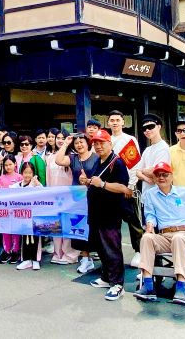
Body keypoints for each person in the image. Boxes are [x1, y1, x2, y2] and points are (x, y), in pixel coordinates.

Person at [135, 162, 185, 305]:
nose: (161, 177)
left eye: (165, 174)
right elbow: (150, 214)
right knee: (146, 238)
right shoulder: (150, 195)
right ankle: (148, 286)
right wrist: (150, 224)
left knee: (178, 238)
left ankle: (180, 287)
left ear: (172, 176)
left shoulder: (184, 193)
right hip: (164, 235)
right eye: (158, 175)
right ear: (154, 178)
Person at [80, 129, 131, 301]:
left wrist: (102, 184)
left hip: (110, 213)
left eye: (102, 143)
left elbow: (123, 188)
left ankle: (117, 284)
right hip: (95, 212)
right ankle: (106, 277)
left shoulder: (117, 162)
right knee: (100, 247)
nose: (98, 146)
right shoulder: (98, 161)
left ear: (110, 143)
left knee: (111, 248)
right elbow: (95, 182)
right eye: (95, 143)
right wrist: (88, 182)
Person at [55, 134, 98, 273]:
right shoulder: (73, 158)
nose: (79, 145)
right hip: (77, 199)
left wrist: (88, 181)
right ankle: (85, 258)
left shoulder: (96, 157)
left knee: (93, 228)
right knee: (79, 228)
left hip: (93, 198)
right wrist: (66, 144)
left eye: (82, 142)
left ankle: (96, 257)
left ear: (88, 143)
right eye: (76, 143)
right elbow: (58, 160)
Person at [107, 110, 144, 268]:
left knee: (133, 220)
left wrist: (131, 186)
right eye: (112, 120)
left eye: (118, 120)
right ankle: (113, 254)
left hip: (127, 187)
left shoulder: (129, 139)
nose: (115, 123)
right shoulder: (105, 140)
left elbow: (135, 164)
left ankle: (140, 251)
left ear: (123, 122)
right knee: (111, 223)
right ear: (108, 123)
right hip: (109, 188)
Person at [46, 129, 79, 264]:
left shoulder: (73, 156)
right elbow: (48, 177)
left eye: (63, 138)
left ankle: (70, 254)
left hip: (68, 196)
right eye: (58, 138)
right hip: (54, 196)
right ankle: (57, 253)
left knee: (68, 225)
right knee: (56, 226)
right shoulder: (50, 157)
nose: (60, 140)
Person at [136, 114, 171, 219]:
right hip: (146, 198)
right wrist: (147, 178)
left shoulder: (163, 148)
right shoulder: (147, 150)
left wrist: (143, 171)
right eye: (144, 128)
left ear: (159, 127)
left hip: (159, 198)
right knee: (146, 227)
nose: (147, 130)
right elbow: (137, 172)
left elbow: (157, 172)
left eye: (151, 126)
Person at [12, 164, 43, 271]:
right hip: (23, 216)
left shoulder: (37, 185)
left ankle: (35, 260)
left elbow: (43, 194)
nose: (27, 175)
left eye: (30, 173)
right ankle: (26, 259)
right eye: (25, 172)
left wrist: (36, 184)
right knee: (24, 238)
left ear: (33, 173)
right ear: (21, 173)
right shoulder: (17, 186)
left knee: (35, 237)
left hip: (35, 216)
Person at [0, 156, 24, 264]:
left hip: (16, 208)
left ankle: (15, 250)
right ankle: (7, 250)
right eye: (6, 165)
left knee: (15, 230)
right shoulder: (1, 178)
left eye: (10, 164)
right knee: (6, 230)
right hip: (4, 208)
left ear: (15, 164)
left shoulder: (19, 177)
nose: (8, 167)